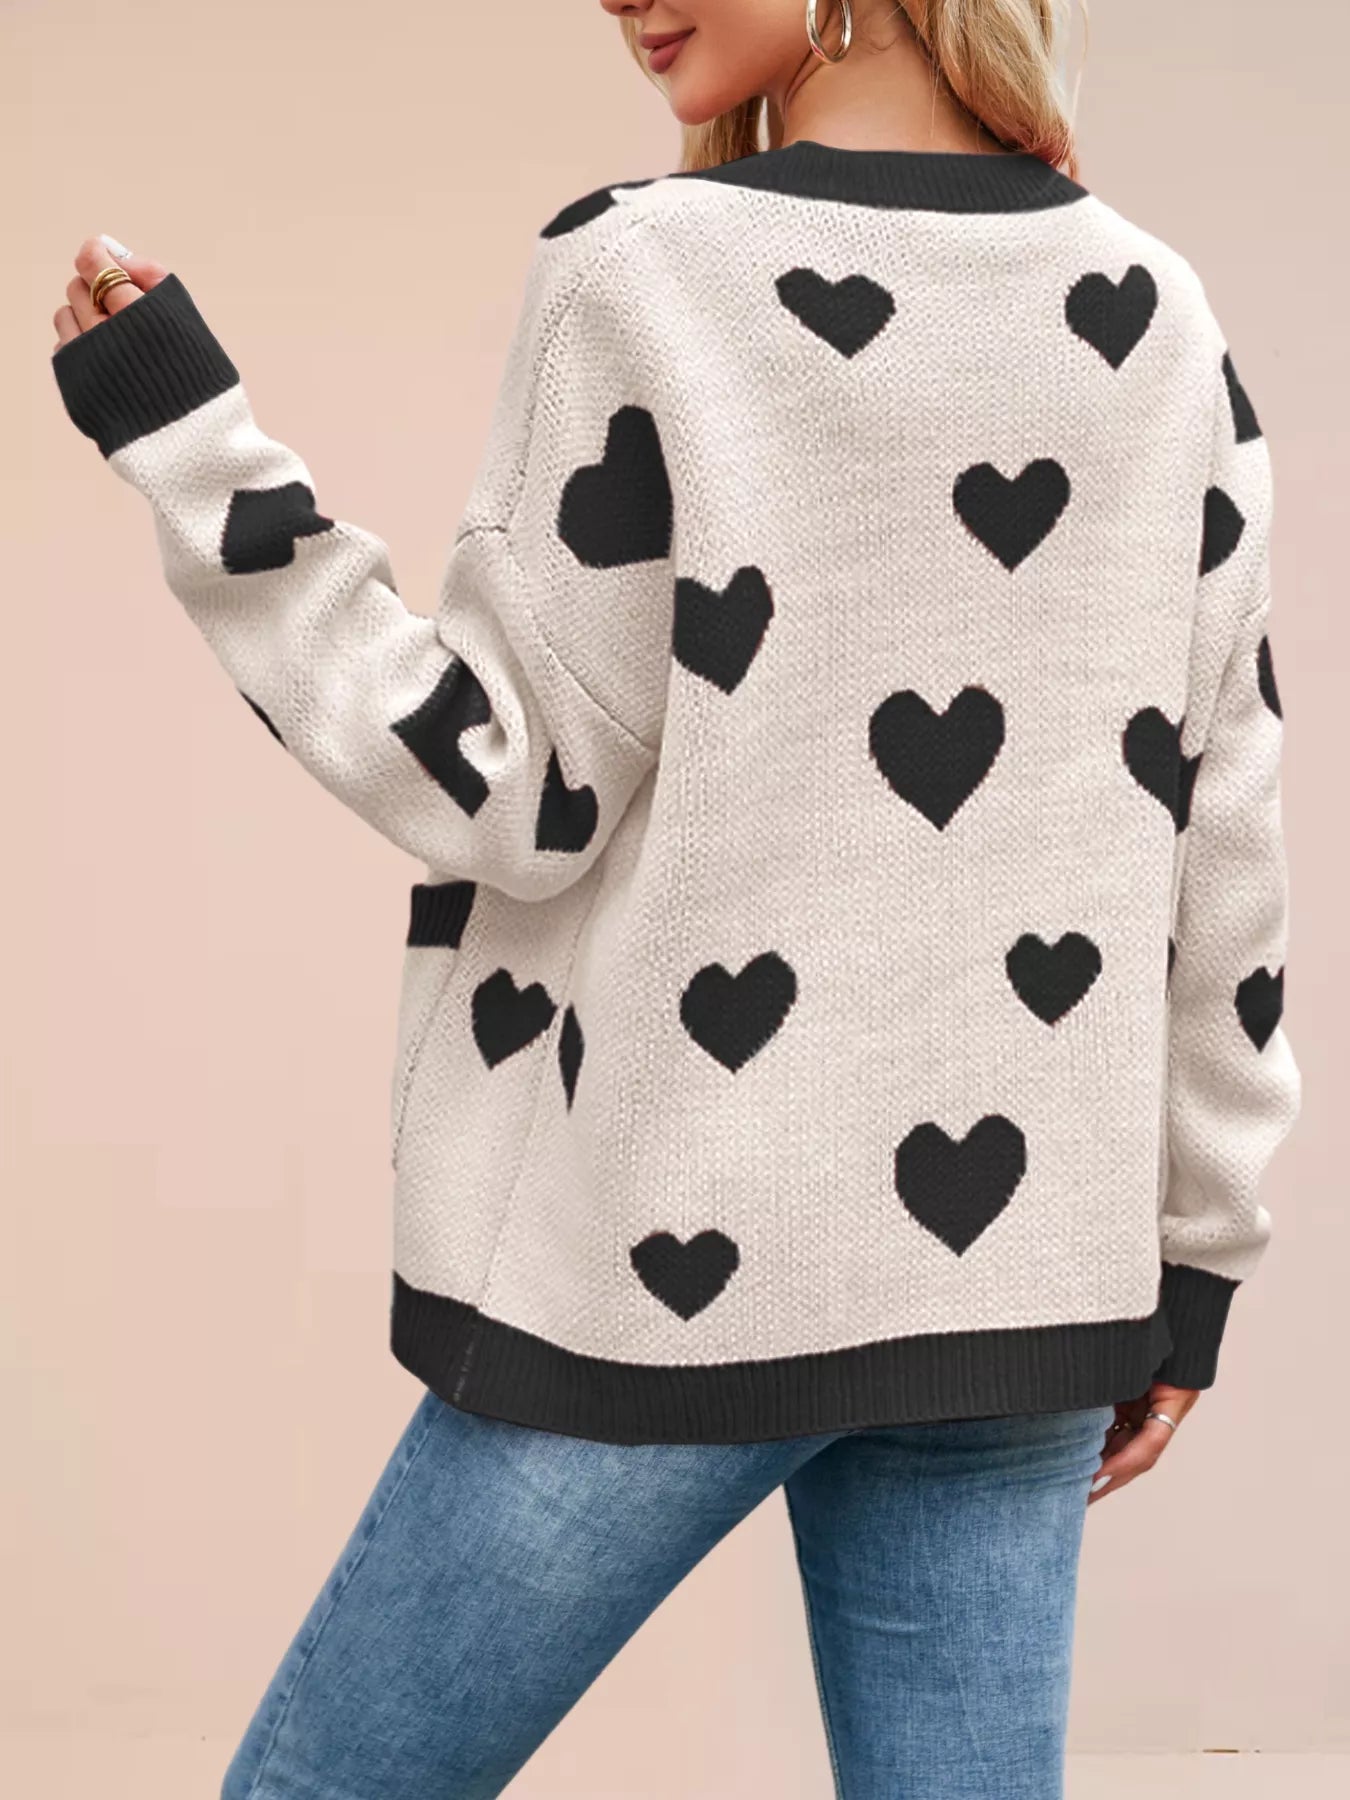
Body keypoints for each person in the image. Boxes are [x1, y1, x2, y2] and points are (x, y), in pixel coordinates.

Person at [49, 3, 1301, 1796]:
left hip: (681, 1260)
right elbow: (1220, 824)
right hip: (1025, 1278)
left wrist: (195, 451)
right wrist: (1194, 1254)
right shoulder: (1153, 312)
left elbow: (504, 789)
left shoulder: (646, 268)